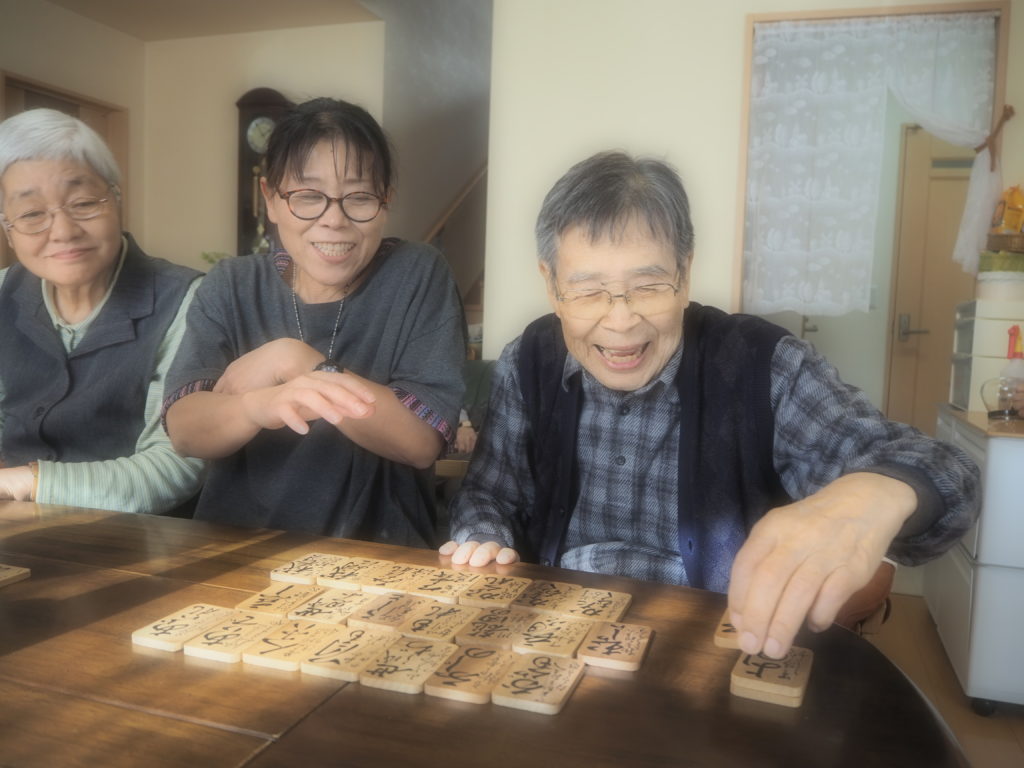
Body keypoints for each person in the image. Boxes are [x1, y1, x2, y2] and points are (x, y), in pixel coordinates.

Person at [441, 150, 980, 659]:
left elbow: (949, 474)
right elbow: (490, 491)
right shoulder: (527, 359)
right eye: (587, 292)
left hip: (715, 649)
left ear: (685, 274)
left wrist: (870, 496)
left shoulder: (762, 364)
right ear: (552, 285)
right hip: (560, 639)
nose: (621, 321)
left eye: (648, 286)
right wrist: (485, 538)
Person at [163, 97, 465, 547]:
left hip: (378, 553)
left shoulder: (416, 273)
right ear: (271, 199)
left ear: (386, 201)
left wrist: (295, 361)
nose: (333, 220)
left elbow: (419, 442)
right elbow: (186, 431)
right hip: (236, 549)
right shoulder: (232, 285)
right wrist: (257, 407)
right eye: (308, 197)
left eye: (359, 197)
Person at [0, 109, 203, 514]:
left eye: (83, 203)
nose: (63, 232)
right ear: (8, 229)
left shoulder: (187, 300)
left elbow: (176, 465)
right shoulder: (4, 289)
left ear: (117, 199)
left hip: (135, 540)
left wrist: (26, 481)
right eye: (32, 214)